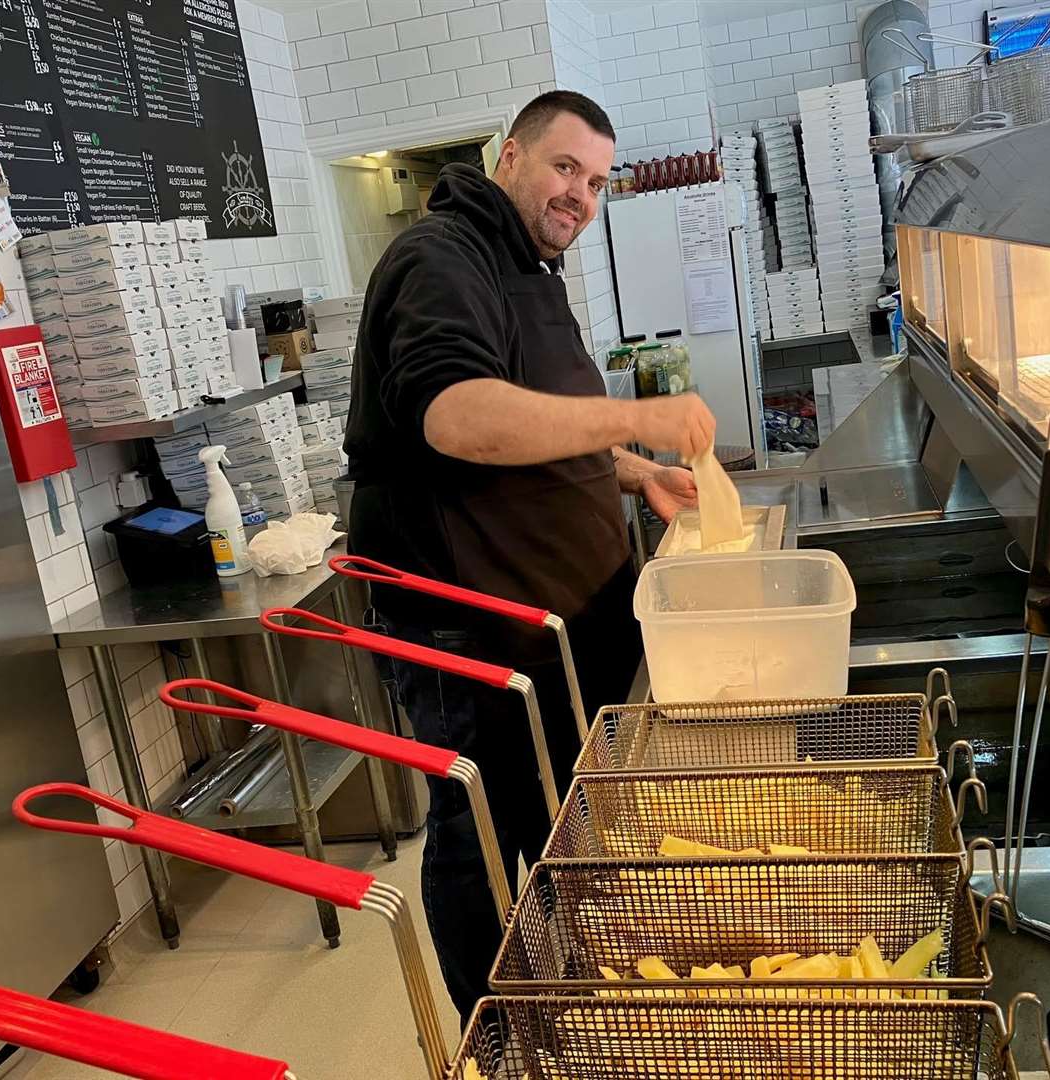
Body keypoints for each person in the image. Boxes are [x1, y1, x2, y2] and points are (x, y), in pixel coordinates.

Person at [343, 90, 716, 1016]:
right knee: (479, 836)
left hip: (549, 628)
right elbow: (458, 415)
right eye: (563, 167)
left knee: (554, 820)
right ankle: (495, 1027)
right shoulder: (440, 258)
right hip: (468, 632)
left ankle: (562, 982)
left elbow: (536, 425)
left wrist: (630, 473)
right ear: (508, 156)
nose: (580, 196)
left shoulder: (530, 267)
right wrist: (637, 413)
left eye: (595, 181)